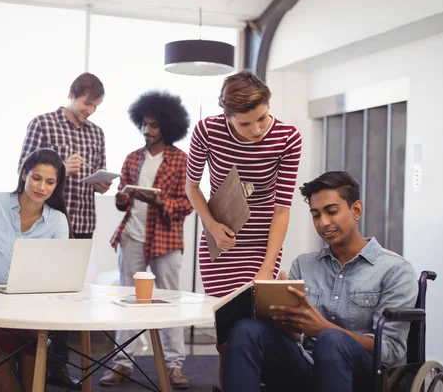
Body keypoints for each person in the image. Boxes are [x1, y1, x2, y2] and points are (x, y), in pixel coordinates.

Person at [224, 171, 418, 392]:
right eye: (315, 215)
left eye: (331, 211)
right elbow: (297, 337)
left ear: (356, 210)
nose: (323, 223)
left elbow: (391, 350)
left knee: (331, 340)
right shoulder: (303, 265)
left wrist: (323, 329)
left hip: (367, 376)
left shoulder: (395, 270)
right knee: (246, 329)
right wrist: (282, 319)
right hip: (307, 368)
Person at [184, 69, 302, 384]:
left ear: (268, 104)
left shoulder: (288, 138)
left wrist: (267, 268)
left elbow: (281, 210)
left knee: (259, 327)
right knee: (226, 337)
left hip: (263, 243)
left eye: (262, 118)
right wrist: (211, 226)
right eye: (245, 123)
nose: (257, 130)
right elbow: (192, 187)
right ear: (227, 116)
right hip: (221, 245)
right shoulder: (207, 131)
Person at [18, 72, 110, 389]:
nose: (91, 111)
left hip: (81, 223)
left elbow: (100, 186)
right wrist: (59, 167)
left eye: (96, 105)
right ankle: (27, 364)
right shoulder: (42, 123)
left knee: (69, 298)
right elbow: (22, 169)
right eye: (87, 103)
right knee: (38, 295)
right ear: (72, 93)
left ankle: (56, 368)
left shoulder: (97, 133)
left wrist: (103, 183)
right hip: (44, 222)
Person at [0, 148, 70, 392]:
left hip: (25, 311)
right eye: (36, 178)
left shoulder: (57, 220)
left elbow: (58, 272)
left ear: (56, 185)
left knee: (32, 347)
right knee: (1, 349)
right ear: (24, 174)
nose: (41, 187)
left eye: (50, 182)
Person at [100, 91, 193, 389]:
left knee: (170, 300)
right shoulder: (132, 158)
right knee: (128, 300)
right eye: (144, 124)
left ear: (167, 126)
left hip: (166, 239)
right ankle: (122, 363)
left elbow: (187, 205)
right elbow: (123, 205)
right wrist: (122, 198)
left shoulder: (181, 161)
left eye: (153, 125)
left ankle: (174, 365)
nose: (147, 130)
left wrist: (156, 202)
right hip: (132, 237)